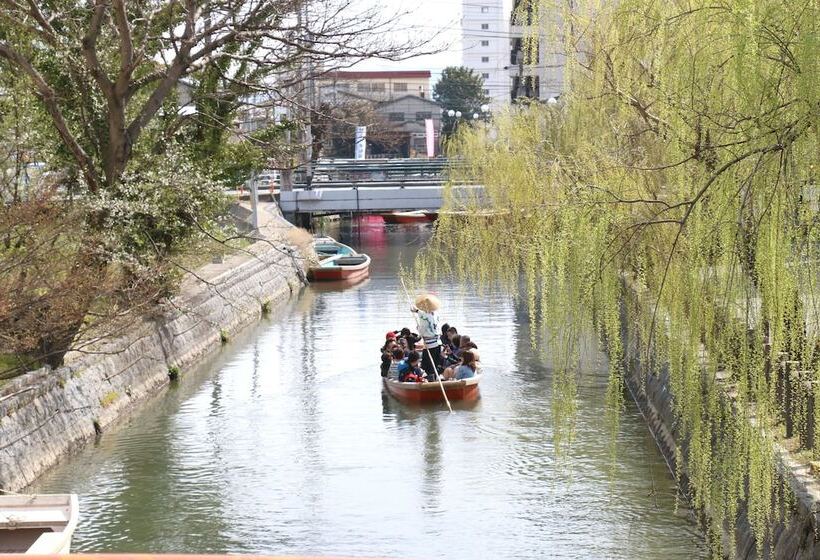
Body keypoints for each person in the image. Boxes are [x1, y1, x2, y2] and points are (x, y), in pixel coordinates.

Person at [412, 294, 443, 380]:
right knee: (435, 364)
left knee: (427, 365)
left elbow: (422, 331)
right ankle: (435, 378)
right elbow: (423, 314)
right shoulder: (435, 314)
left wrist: (418, 328)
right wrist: (416, 311)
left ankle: (431, 380)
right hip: (438, 343)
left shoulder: (424, 318)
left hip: (430, 345)